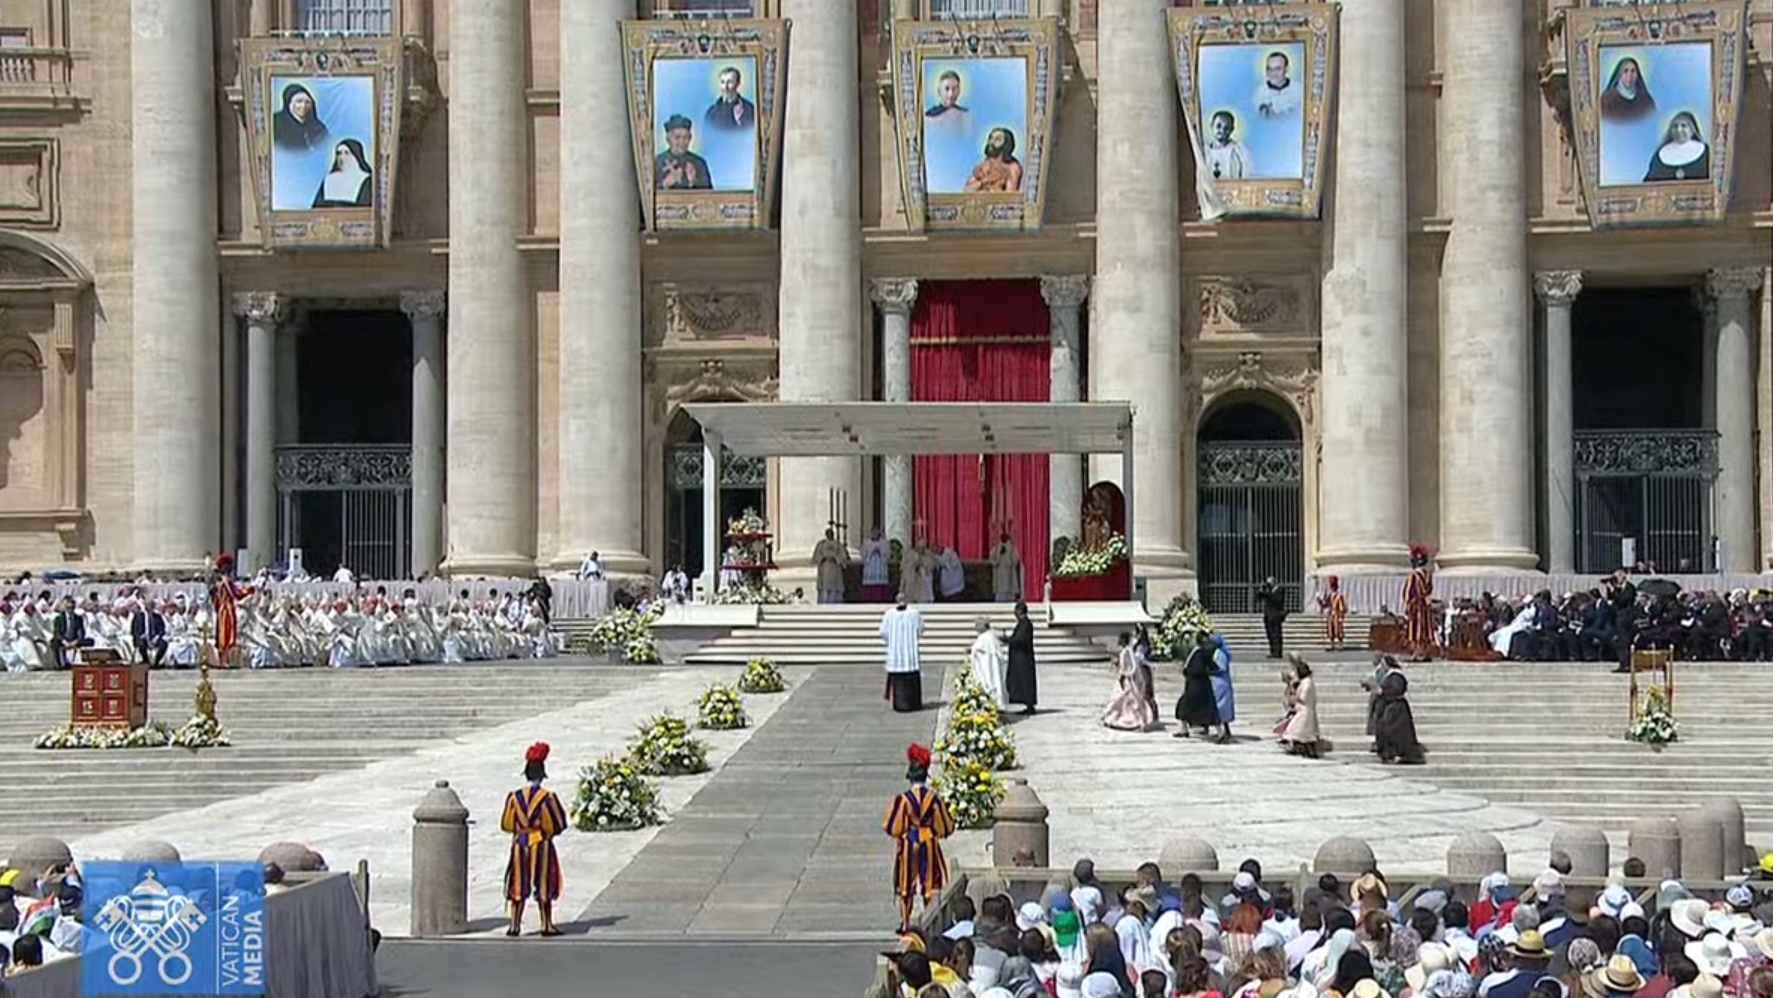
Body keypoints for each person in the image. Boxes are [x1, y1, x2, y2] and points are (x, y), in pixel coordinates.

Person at [883, 743, 955, 934]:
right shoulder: (934, 798)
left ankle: (906, 924)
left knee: (905, 885)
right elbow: (945, 826)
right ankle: (930, 921)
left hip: (910, 841)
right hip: (929, 840)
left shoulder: (904, 799)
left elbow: (893, 827)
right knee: (930, 884)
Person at [501, 741, 568, 937]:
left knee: (518, 883)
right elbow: (557, 823)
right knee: (545, 881)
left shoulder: (514, 797)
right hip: (541, 843)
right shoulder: (547, 797)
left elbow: (506, 823)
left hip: (520, 843)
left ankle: (514, 925)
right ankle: (546, 924)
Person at [1102, 631, 1161, 732]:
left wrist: (1122, 676)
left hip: (1127, 680)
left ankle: (1131, 720)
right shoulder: (1128, 651)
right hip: (1129, 678)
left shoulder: (1126, 652)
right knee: (1125, 700)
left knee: (1125, 700)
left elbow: (1128, 667)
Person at [1371, 661, 1424, 764]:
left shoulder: (1396, 676)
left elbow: (1397, 690)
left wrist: (1382, 691)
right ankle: (1389, 754)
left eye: (1383, 664)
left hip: (1396, 709)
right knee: (1386, 731)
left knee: (1395, 733)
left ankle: (1398, 754)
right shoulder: (1389, 676)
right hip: (1390, 707)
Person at [880, 594, 926, 713]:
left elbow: (883, 632)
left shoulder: (891, 614)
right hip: (908, 651)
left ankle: (902, 704)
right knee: (908, 680)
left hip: (897, 652)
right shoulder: (913, 614)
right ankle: (911, 703)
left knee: (901, 680)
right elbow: (920, 630)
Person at [1175, 631, 1222, 740]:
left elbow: (1211, 665)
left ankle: (1220, 732)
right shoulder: (1196, 651)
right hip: (1194, 684)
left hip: (1200, 684)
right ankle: (1184, 730)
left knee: (1208, 708)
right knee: (1185, 707)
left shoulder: (1203, 652)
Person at [1643, 112, 1709, 183]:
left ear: (1692, 130)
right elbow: (1649, 183)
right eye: (1675, 126)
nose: (1679, 130)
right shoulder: (1659, 155)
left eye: (1683, 126)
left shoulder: (1705, 152)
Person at [655, 114, 713, 190]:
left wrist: (693, 181)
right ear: (668, 139)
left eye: (685, 138)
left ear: (690, 138)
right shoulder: (657, 162)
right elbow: (647, 192)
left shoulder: (699, 163)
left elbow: (709, 195)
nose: (682, 142)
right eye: (677, 137)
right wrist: (665, 184)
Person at [1279, 654, 1321, 757]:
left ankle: (1305, 749)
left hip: (1305, 711)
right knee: (1298, 731)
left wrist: (1295, 696)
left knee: (1299, 730)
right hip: (1302, 710)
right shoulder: (1304, 682)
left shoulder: (1307, 683)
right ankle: (1299, 747)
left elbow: (1304, 697)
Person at [311, 138, 373, 208]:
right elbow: (316, 209)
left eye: (347, 153)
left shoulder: (366, 180)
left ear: (356, 156)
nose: (342, 157)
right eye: (339, 153)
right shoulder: (328, 180)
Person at [963, 127, 1024, 193]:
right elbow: (967, 189)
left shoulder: (1012, 167)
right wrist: (986, 181)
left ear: (1006, 144)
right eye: (990, 138)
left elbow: (1010, 196)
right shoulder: (984, 165)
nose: (991, 142)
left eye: (998, 139)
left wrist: (992, 189)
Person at [272, 82, 328, 151]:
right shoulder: (275, 123)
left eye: (307, 102)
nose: (303, 106)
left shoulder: (318, 128)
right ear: (289, 104)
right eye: (299, 101)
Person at [1004, 600, 1038, 715]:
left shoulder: (1026, 624)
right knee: (1021, 682)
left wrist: (1007, 640)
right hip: (1020, 658)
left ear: (1019, 611)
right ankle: (1027, 704)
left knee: (1026, 682)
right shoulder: (1022, 624)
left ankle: (1030, 705)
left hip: (1023, 659)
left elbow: (1020, 640)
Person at [1600, 56, 1656, 123]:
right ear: (1619, 74)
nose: (1629, 75)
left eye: (1633, 71)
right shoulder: (1607, 100)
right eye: (1625, 71)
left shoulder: (1646, 101)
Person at [1403, 545, 1435, 662]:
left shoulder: (1413, 576)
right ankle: (1425, 652)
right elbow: (1430, 589)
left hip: (1416, 607)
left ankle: (1416, 653)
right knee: (1426, 629)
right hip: (1425, 607)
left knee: (1416, 630)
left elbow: (1408, 592)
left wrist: (1407, 606)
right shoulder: (1428, 575)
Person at [969, 618, 1008, 708]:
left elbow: (977, 649)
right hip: (989, 665)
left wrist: (971, 650)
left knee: (990, 684)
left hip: (988, 667)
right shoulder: (989, 636)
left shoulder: (986, 637)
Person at [702, 65, 755, 131]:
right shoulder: (711, 113)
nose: (725, 87)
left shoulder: (749, 109)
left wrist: (738, 122)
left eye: (730, 82)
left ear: (738, 84)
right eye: (722, 82)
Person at [1210, 634, 1237, 742]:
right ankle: (1224, 729)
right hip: (1220, 682)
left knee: (1220, 706)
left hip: (1220, 682)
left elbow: (1221, 668)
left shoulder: (1220, 654)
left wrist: (1210, 671)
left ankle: (1222, 731)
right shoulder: (1218, 652)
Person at [813, 527, 849, 605]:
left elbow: (843, 557)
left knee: (834, 587)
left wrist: (835, 558)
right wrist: (823, 557)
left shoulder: (838, 544)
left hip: (834, 568)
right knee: (825, 587)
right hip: (825, 568)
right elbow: (816, 557)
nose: (830, 535)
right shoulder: (821, 544)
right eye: (828, 533)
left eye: (831, 533)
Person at [49, 596, 85, 668]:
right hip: (63, 639)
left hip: (74, 639)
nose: (70, 609)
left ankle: (80, 663)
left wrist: (76, 641)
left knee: (90, 641)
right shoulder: (58, 618)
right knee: (54, 642)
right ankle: (60, 664)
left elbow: (81, 631)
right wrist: (64, 641)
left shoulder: (78, 618)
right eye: (68, 608)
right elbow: (57, 632)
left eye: (72, 608)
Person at [130, 600, 168, 667]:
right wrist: (139, 636)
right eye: (149, 605)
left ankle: (156, 662)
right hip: (143, 638)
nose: (150, 607)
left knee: (164, 643)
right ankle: (146, 661)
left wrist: (158, 636)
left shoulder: (157, 617)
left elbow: (162, 629)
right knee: (141, 644)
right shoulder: (139, 616)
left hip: (155, 638)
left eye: (152, 605)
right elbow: (134, 630)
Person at [1257, 576, 1287, 659]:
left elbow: (1277, 600)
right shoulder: (1268, 591)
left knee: (1276, 634)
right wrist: (1261, 590)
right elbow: (1259, 597)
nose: (1268, 585)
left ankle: (1278, 652)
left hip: (1276, 616)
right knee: (1270, 634)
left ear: (1274, 582)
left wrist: (1267, 594)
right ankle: (1272, 651)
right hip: (1268, 616)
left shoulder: (1279, 590)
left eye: (1269, 583)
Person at [862, 528, 894, 603]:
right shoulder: (866, 543)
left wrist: (880, 552)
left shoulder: (884, 543)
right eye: (873, 532)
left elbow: (888, 554)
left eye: (876, 532)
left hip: (880, 567)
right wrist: (871, 552)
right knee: (870, 585)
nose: (875, 534)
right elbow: (863, 554)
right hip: (870, 567)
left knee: (880, 585)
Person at [989, 532, 1022, 603]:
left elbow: (1015, 561)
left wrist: (1008, 553)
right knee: (1000, 594)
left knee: (1009, 594)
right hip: (999, 575)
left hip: (1009, 575)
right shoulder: (997, 548)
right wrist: (998, 555)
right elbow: (992, 560)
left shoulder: (1012, 548)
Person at [1318, 576, 1348, 651]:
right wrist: (1319, 600)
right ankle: (1332, 644)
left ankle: (1340, 644)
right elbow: (1325, 604)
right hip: (1331, 614)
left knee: (1338, 630)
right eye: (1332, 587)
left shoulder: (1339, 596)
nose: (1332, 588)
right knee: (1331, 630)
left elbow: (1342, 607)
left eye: (1333, 587)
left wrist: (1341, 617)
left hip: (1337, 615)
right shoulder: (1330, 596)